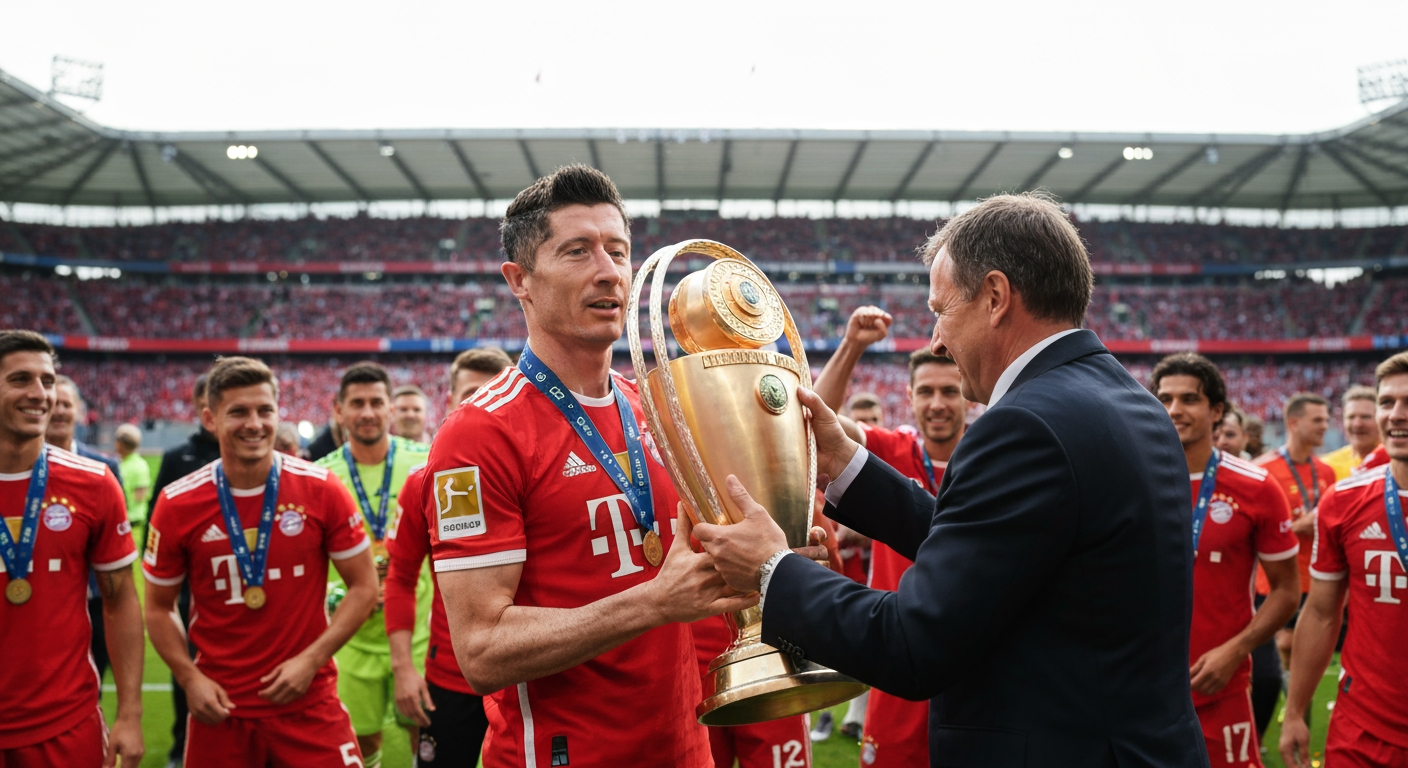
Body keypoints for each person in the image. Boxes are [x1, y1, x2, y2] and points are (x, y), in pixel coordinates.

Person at [695, 193, 1209, 768]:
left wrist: (772, 570)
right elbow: (1001, 553)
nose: (936, 340)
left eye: (941, 310)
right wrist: (847, 465)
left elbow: (914, 646)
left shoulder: (1024, 424)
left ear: (994, 297)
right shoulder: (1131, 405)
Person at [425, 165, 799, 768]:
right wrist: (654, 602)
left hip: (684, 747)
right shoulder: (479, 433)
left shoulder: (658, 405)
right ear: (519, 280)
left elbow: (703, 572)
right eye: (576, 251)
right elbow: (482, 650)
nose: (607, 270)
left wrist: (778, 559)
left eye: (618, 251)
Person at [144, 356, 378, 768]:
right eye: (238, 412)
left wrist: (312, 659)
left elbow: (364, 587)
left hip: (309, 699)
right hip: (221, 707)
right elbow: (158, 608)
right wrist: (189, 678)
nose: (254, 423)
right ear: (210, 419)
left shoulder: (322, 489)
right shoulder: (177, 502)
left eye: (264, 410)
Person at [814, 304, 966, 768]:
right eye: (926, 392)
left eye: (948, 391)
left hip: (971, 653)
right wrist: (853, 344)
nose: (937, 403)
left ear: (968, 397)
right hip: (898, 650)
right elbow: (815, 420)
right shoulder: (889, 450)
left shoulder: (992, 456)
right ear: (910, 396)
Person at [0, 330, 144, 767]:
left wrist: (131, 714)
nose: (39, 394)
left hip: (65, 723)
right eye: (21, 379)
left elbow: (119, 602)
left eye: (47, 380)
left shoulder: (95, 483)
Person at [1150, 353, 1300, 767]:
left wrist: (1235, 651)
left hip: (1222, 686)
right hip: (1140, 688)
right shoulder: (1130, 479)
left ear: (1216, 410)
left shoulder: (1257, 487)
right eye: (1165, 399)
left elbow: (1287, 590)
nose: (1174, 410)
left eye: (1188, 399)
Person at [1280, 351, 1408, 768]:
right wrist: (1295, 711)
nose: (1396, 415)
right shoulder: (1345, 500)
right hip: (1362, 731)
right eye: (1387, 402)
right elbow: (1319, 613)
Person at [384, 347, 511, 765]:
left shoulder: (545, 471)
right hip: (452, 676)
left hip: (530, 672)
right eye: (474, 393)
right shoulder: (424, 481)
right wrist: (403, 668)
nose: (487, 404)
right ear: (452, 401)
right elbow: (400, 576)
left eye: (498, 391)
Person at [314, 362, 433, 767]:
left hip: (419, 631)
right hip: (350, 638)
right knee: (358, 744)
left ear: (390, 410)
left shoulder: (426, 462)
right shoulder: (320, 477)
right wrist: (336, 594)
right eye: (357, 403)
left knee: (427, 737)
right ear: (339, 411)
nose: (367, 412)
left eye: (376, 402)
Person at [146, 372, 222, 768]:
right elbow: (157, 521)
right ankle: (182, 744)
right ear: (201, 409)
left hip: (251, 580)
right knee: (189, 670)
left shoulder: (258, 451)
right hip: (195, 589)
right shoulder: (178, 458)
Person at [46, 375, 126, 687]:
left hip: (96, 596)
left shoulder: (104, 467)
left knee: (93, 683)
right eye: (55, 403)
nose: (60, 411)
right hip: (48, 594)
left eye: (67, 404)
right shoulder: (17, 467)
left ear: (80, 411)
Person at [1255, 393, 1333, 673]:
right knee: (1284, 643)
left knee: (1309, 644)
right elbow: (1253, 530)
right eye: (1317, 420)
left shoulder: (1325, 471)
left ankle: (1297, 708)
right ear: (1294, 423)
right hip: (1278, 578)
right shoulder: (1264, 470)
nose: (1325, 425)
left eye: (1326, 420)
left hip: (1318, 576)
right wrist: (1298, 526)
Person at [1322, 385, 1380, 481]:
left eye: (1365, 417)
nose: (1357, 424)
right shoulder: (1328, 466)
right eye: (1351, 417)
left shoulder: (1398, 462)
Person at [114, 424, 152, 538]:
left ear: (120, 444)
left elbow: (139, 495)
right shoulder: (140, 464)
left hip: (131, 522)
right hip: (135, 520)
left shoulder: (121, 466)